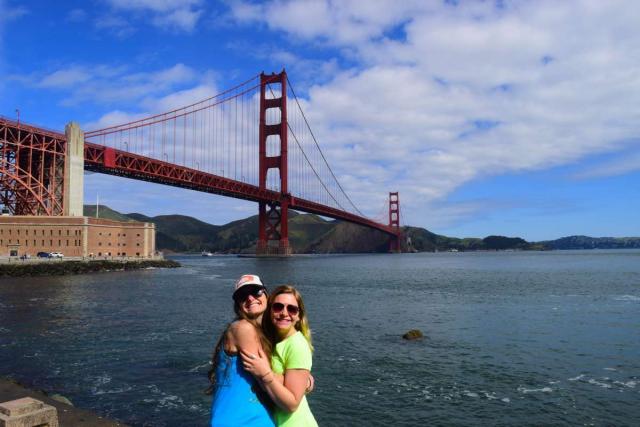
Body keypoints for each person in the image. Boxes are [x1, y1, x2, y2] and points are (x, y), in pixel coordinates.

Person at [241, 285, 318, 427]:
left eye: (292, 309)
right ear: (270, 311)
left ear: (299, 315)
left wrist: (265, 374)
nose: (284, 313)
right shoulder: (274, 340)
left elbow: (292, 405)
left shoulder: (297, 345)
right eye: (278, 307)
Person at [207, 274, 275, 427]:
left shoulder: (261, 332)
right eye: (242, 296)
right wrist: (301, 379)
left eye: (256, 291)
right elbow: (265, 380)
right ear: (238, 304)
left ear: (266, 294)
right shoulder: (243, 328)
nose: (250, 298)